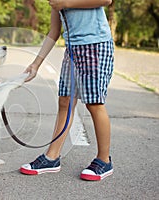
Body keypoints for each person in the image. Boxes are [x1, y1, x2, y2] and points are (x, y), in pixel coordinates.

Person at [20, 0, 114, 181]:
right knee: (65, 101)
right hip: (72, 50)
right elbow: (54, 31)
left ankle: (104, 160)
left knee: (94, 103)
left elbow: (106, 0)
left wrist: (67, 3)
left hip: (95, 45)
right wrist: (36, 64)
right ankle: (51, 157)